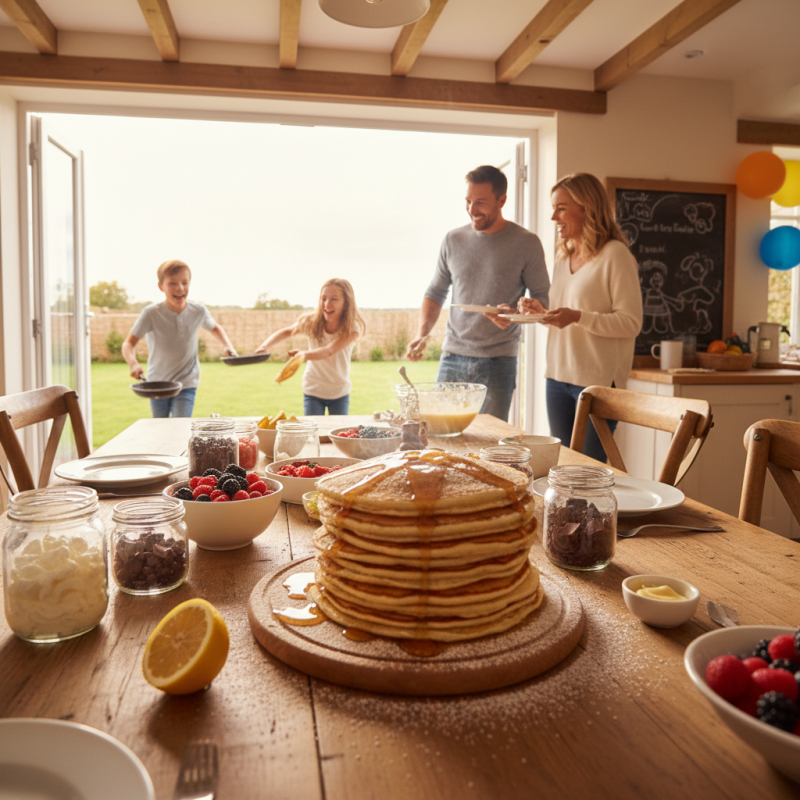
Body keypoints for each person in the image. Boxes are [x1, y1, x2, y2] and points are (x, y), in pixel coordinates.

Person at [405, 165, 550, 422]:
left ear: (501, 200)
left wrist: (515, 314)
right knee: (440, 435)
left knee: (489, 441)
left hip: (499, 362)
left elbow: (541, 300)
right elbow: (436, 291)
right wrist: (422, 334)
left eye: (481, 202)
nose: (472, 209)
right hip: (452, 356)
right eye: (468, 201)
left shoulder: (527, 243)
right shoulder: (453, 240)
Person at [517, 172, 643, 462]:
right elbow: (567, 316)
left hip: (596, 383)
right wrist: (542, 313)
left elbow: (630, 322)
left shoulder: (616, 255)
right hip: (557, 378)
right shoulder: (564, 259)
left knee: (587, 473)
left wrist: (577, 316)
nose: (553, 217)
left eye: (561, 208)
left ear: (586, 207)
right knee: (561, 468)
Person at [122, 259, 238, 418]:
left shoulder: (198, 310)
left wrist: (227, 346)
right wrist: (133, 363)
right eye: (172, 283)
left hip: (187, 382)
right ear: (160, 286)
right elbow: (129, 343)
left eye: (185, 282)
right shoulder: (151, 313)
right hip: (158, 383)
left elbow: (215, 328)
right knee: (160, 427)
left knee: (180, 426)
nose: (180, 288)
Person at [254, 278, 365, 416]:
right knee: (313, 435)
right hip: (313, 390)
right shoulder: (312, 322)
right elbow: (287, 331)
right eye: (323, 298)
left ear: (346, 303)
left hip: (339, 392)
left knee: (336, 435)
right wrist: (265, 346)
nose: (326, 304)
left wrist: (303, 355)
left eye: (334, 299)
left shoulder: (352, 328)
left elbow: (329, 351)